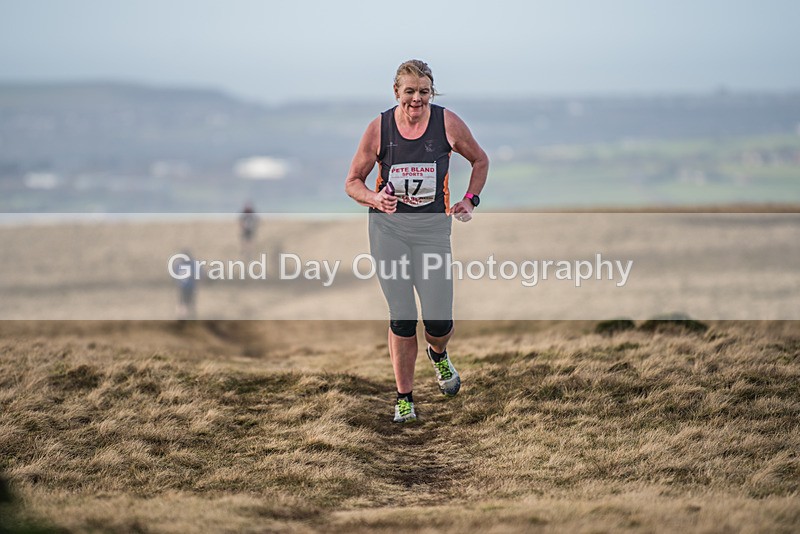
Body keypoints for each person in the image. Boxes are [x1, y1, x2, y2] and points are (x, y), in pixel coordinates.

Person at [344, 59, 489, 423]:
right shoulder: (379, 129)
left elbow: (480, 160)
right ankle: (404, 398)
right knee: (402, 316)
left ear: (431, 92)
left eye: (424, 92)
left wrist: (470, 200)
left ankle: (438, 354)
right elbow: (353, 182)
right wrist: (374, 199)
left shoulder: (447, 123)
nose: (416, 99)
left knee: (438, 322)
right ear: (396, 92)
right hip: (388, 231)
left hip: (432, 232)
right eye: (409, 91)